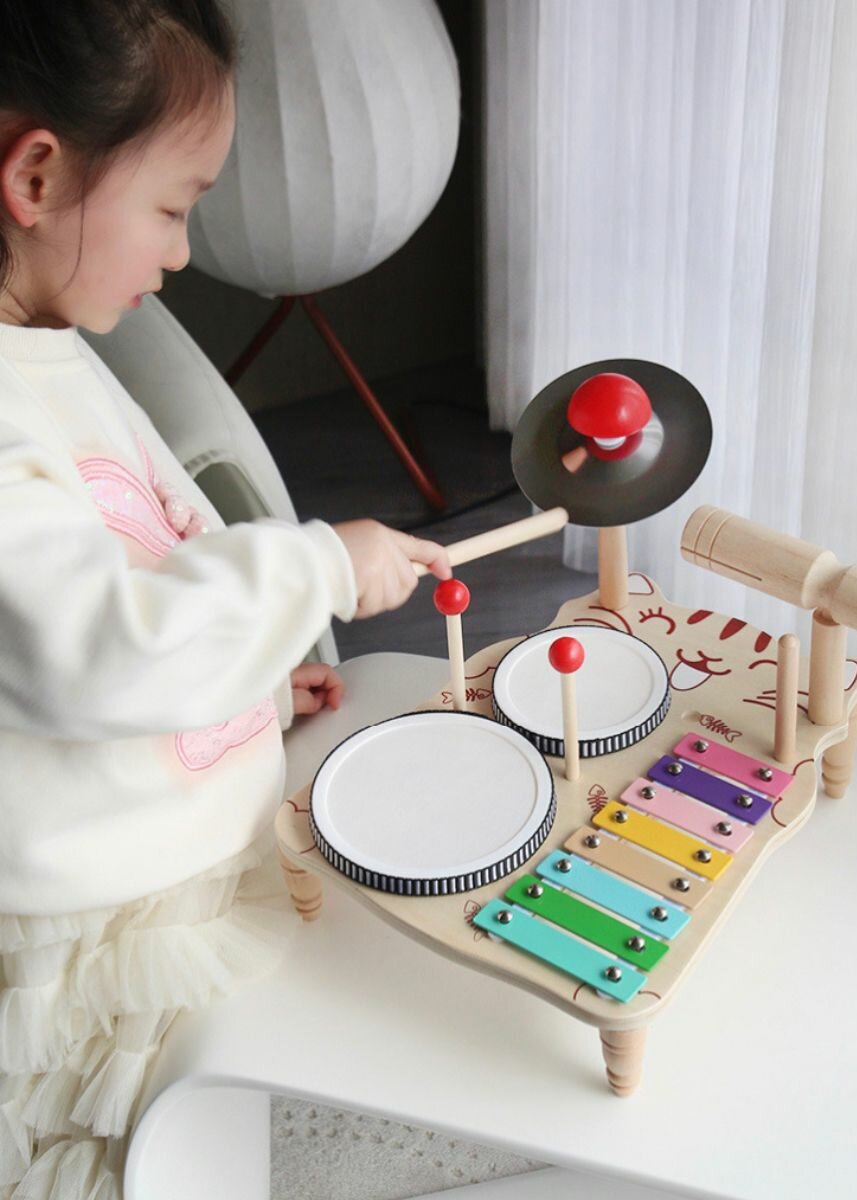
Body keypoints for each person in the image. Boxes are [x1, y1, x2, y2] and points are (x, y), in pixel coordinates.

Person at [0, 2, 451, 1194]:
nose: (183, 252)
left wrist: (243, 677)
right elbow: (92, 648)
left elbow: (144, 565)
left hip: (180, 854)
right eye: (172, 207)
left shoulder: (51, 343)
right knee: (138, 1160)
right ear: (36, 177)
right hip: (101, 928)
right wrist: (318, 567)